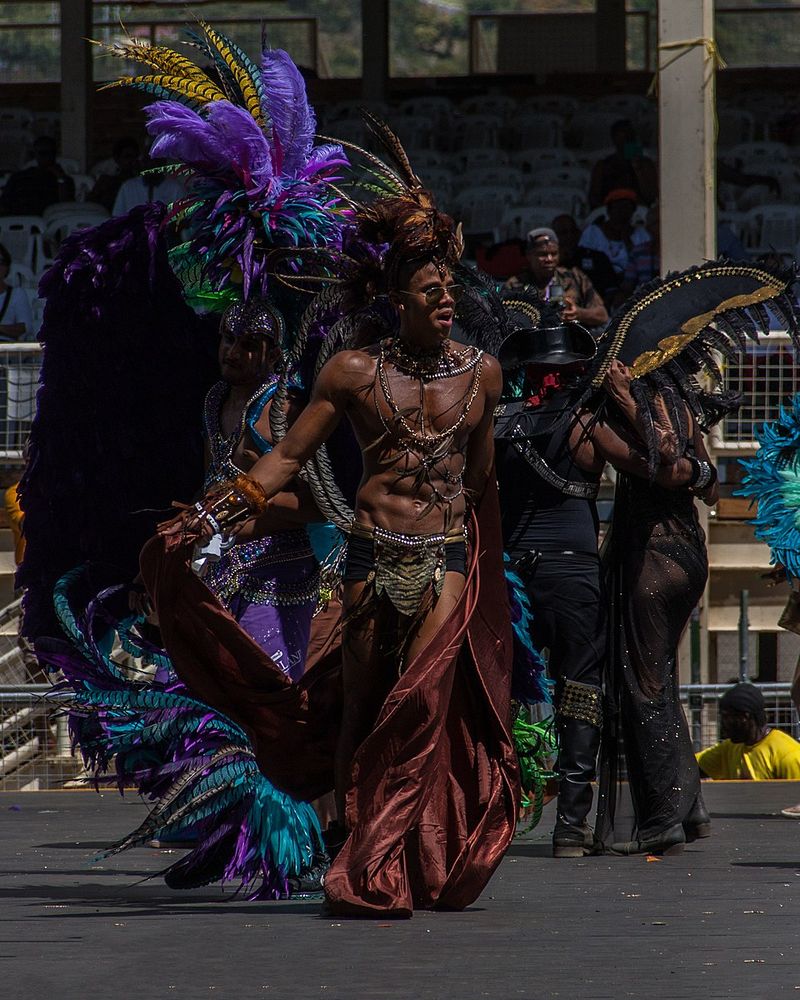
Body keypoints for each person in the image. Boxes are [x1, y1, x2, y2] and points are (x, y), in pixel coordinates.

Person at [155, 152, 519, 916]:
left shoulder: (483, 373)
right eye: (430, 290)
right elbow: (289, 456)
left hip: (445, 559)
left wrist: (469, 546)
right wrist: (216, 512)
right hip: (369, 557)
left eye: (449, 287)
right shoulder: (353, 371)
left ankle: (386, 862)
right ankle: (355, 837)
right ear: (397, 298)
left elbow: (481, 477)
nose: (446, 298)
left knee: (419, 703)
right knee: (362, 707)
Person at [494, 298, 708, 858]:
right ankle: (571, 826)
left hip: (511, 575)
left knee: (504, 693)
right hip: (572, 573)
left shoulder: (500, 424)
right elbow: (659, 465)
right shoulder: (585, 424)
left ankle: (493, 812)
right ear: (572, 370)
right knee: (581, 692)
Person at [196, 298, 322, 679]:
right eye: (228, 338)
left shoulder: (285, 409)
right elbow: (209, 483)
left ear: (275, 355)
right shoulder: (214, 400)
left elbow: (318, 506)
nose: (233, 352)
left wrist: (247, 497)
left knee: (261, 694)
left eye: (249, 344)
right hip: (217, 569)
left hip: (277, 575)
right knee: (187, 693)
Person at [506, 227, 608, 329]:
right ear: (529, 255)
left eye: (554, 254)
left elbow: (602, 315)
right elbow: (504, 321)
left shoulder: (575, 277)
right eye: (543, 254)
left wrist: (578, 313)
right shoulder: (515, 284)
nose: (549, 259)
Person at [697, 683, 800, 781]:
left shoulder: (788, 755)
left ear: (745, 717)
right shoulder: (730, 749)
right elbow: (691, 767)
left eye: (727, 717)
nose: (723, 725)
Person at [580, 189, 650, 279]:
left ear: (633, 211)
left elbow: (644, 265)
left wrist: (627, 241)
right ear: (609, 211)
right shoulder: (592, 232)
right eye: (618, 207)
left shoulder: (641, 234)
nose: (622, 212)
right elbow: (584, 260)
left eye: (626, 207)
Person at [588, 119, 657, 209]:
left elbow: (651, 197)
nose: (625, 142)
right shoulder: (602, 165)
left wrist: (638, 169)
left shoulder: (645, 164)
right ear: (614, 140)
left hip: (638, 211)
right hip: (609, 211)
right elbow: (594, 198)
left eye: (629, 138)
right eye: (621, 138)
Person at [551, 213, 618, 304]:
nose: (569, 236)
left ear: (579, 233)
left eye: (573, 231)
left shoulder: (597, 258)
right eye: (563, 232)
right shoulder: (548, 262)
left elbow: (611, 291)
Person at [0, 135, 74, 216]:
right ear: (35, 154)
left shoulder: (64, 180)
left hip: (48, 219)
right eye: (42, 153)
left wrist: (60, 178)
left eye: (51, 152)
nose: (47, 157)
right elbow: (4, 203)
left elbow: (66, 206)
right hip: (19, 219)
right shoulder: (20, 177)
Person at [89, 137, 141, 213]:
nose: (132, 161)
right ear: (117, 158)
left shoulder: (142, 182)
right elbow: (91, 205)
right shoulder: (105, 182)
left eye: (135, 157)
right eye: (127, 157)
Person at [0, 243, 34, 340]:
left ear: (7, 267)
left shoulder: (16, 294)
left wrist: (2, 329)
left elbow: (25, 327)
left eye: (1, 262)